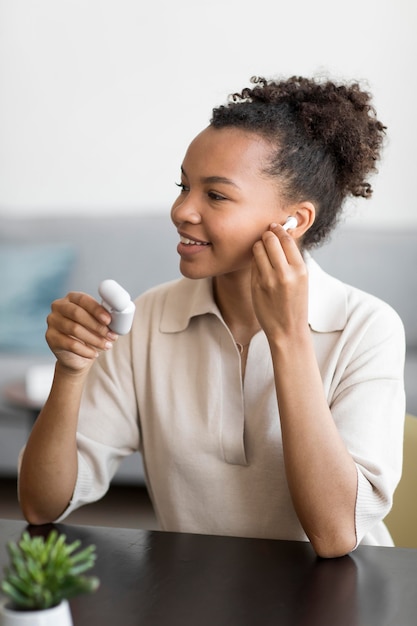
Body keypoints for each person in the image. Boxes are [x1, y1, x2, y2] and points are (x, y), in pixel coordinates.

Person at [18, 75, 405, 558]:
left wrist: (287, 338)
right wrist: (71, 372)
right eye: (183, 187)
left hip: (337, 595)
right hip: (192, 588)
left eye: (216, 196)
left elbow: (333, 536)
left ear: (294, 222)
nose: (182, 210)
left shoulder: (368, 327)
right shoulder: (151, 319)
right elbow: (39, 505)